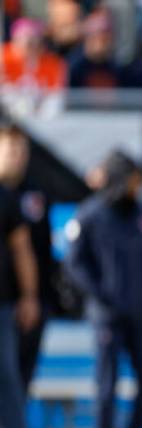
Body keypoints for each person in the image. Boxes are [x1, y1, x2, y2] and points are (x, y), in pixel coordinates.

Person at [65, 151, 142, 428]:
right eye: (134, 180)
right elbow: (75, 263)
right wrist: (101, 295)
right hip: (108, 314)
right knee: (107, 379)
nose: (138, 187)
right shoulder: (91, 214)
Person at [0, 121, 55, 393]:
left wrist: (32, 297)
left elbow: (40, 249)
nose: (17, 157)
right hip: (6, 299)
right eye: (11, 150)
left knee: (20, 378)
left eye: (22, 151)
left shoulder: (36, 194)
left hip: (29, 300)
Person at [0, 168, 40, 428]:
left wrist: (28, 295)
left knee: (7, 377)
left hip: (2, 303)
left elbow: (21, 248)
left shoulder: (5, 197)